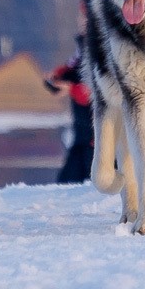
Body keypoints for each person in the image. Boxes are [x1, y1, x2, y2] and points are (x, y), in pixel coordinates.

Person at [44, 18, 94, 184]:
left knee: (97, 185)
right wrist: (56, 77)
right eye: (80, 17)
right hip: (81, 134)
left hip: (97, 135)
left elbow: (97, 91)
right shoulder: (83, 45)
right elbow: (72, 68)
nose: (82, 21)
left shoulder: (103, 44)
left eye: (86, 16)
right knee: (66, 183)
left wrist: (71, 89)